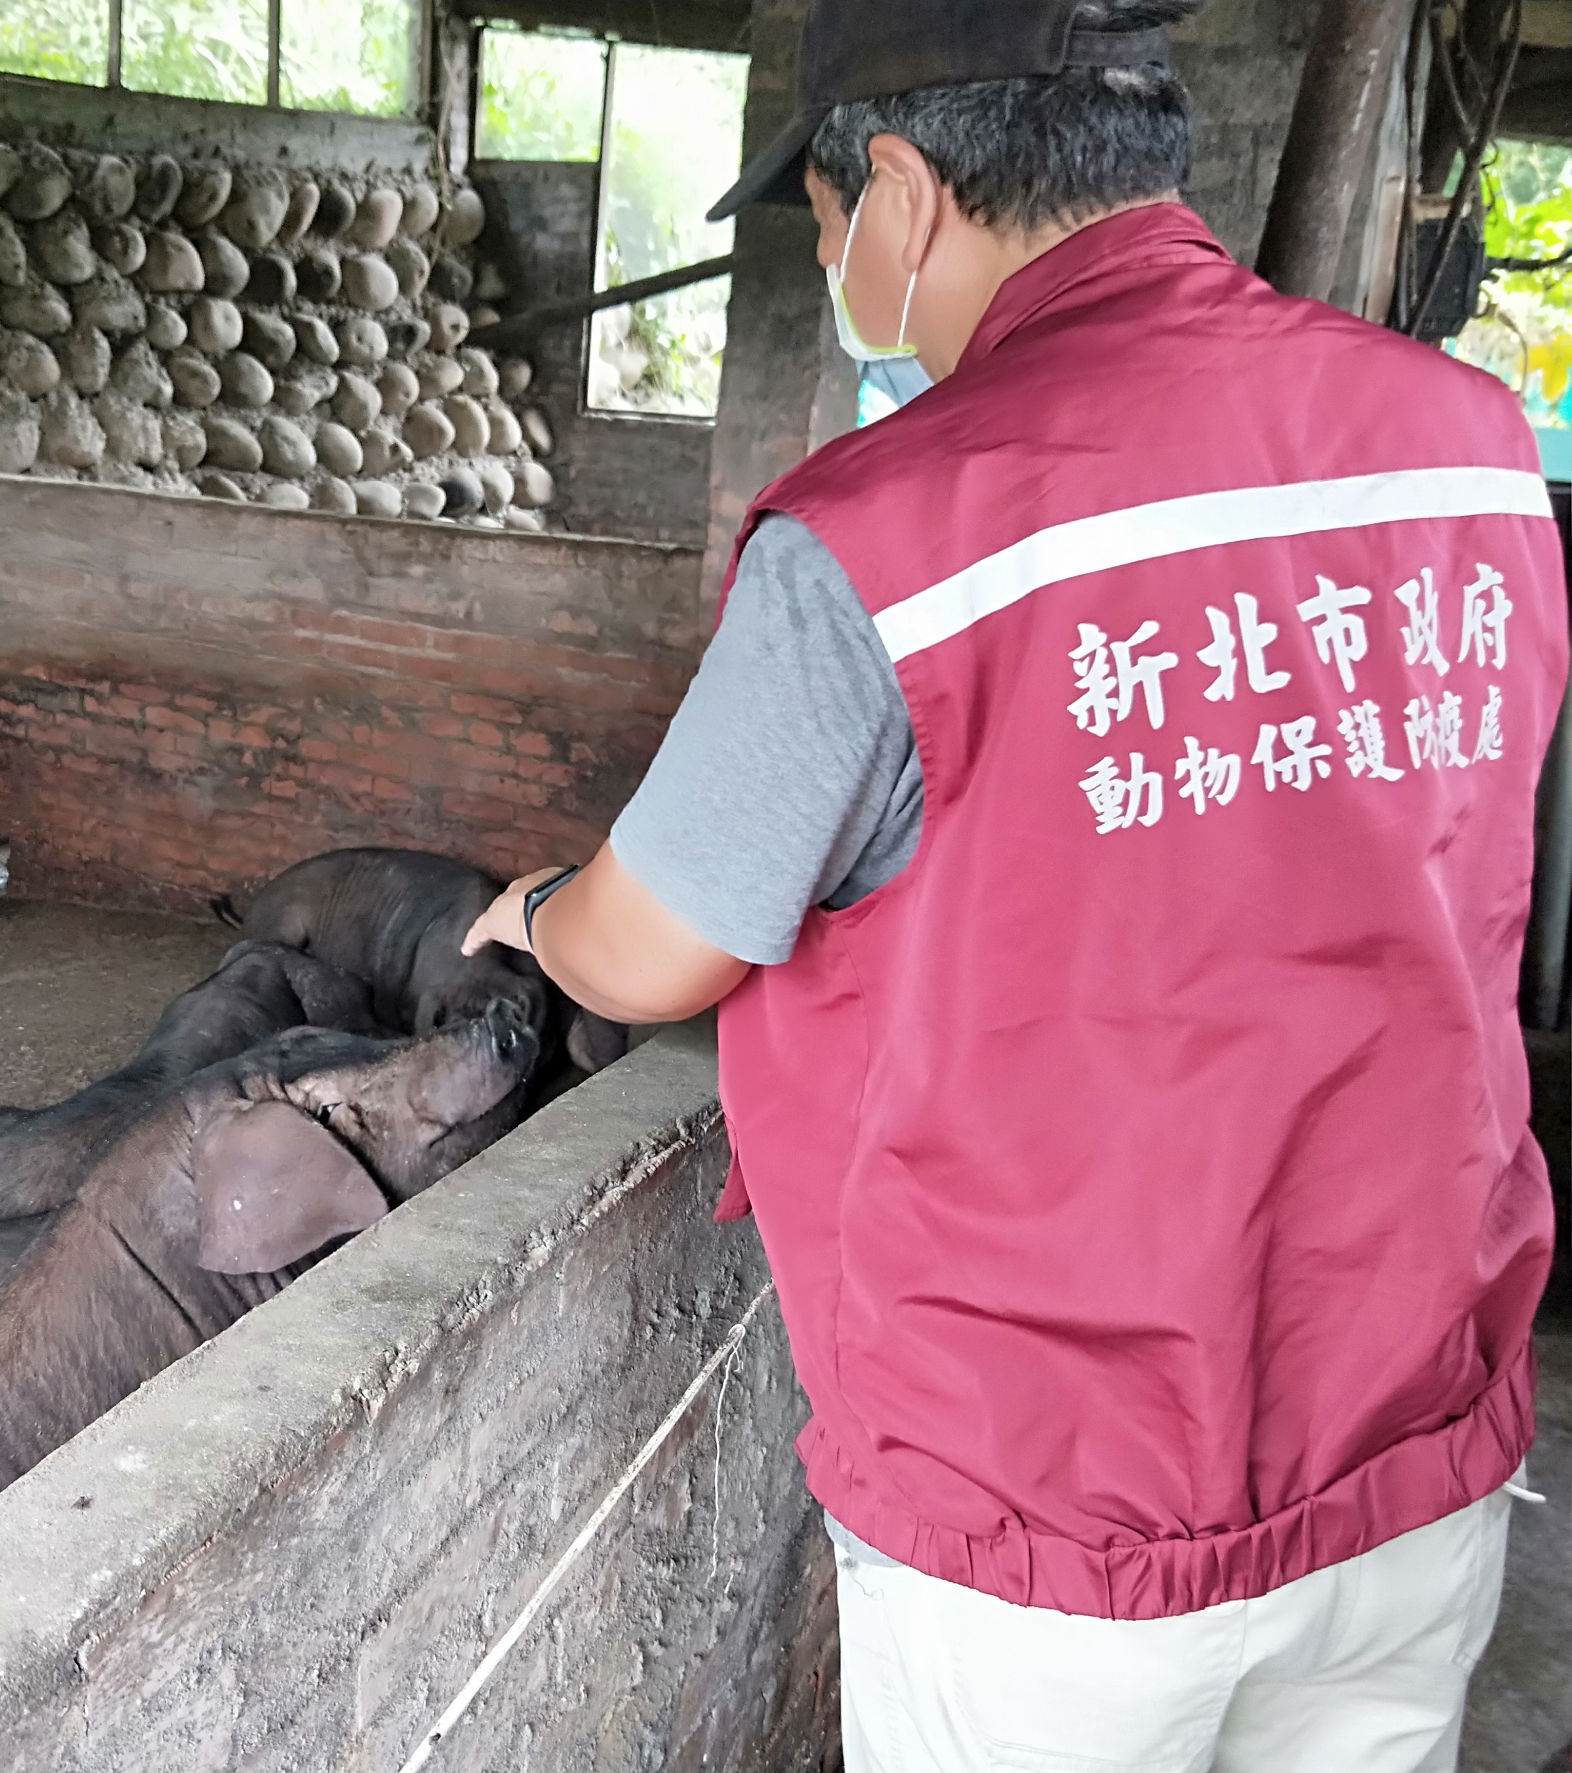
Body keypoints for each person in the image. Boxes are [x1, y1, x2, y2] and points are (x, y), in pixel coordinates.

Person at [461, 1, 1571, 1766]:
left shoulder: (888, 533)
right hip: (1417, 1433)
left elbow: (653, 947)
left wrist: (535, 910)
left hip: (1059, 1519)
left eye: (823, 224)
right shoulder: (1470, 451)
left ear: (900, 189)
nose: (835, 261)